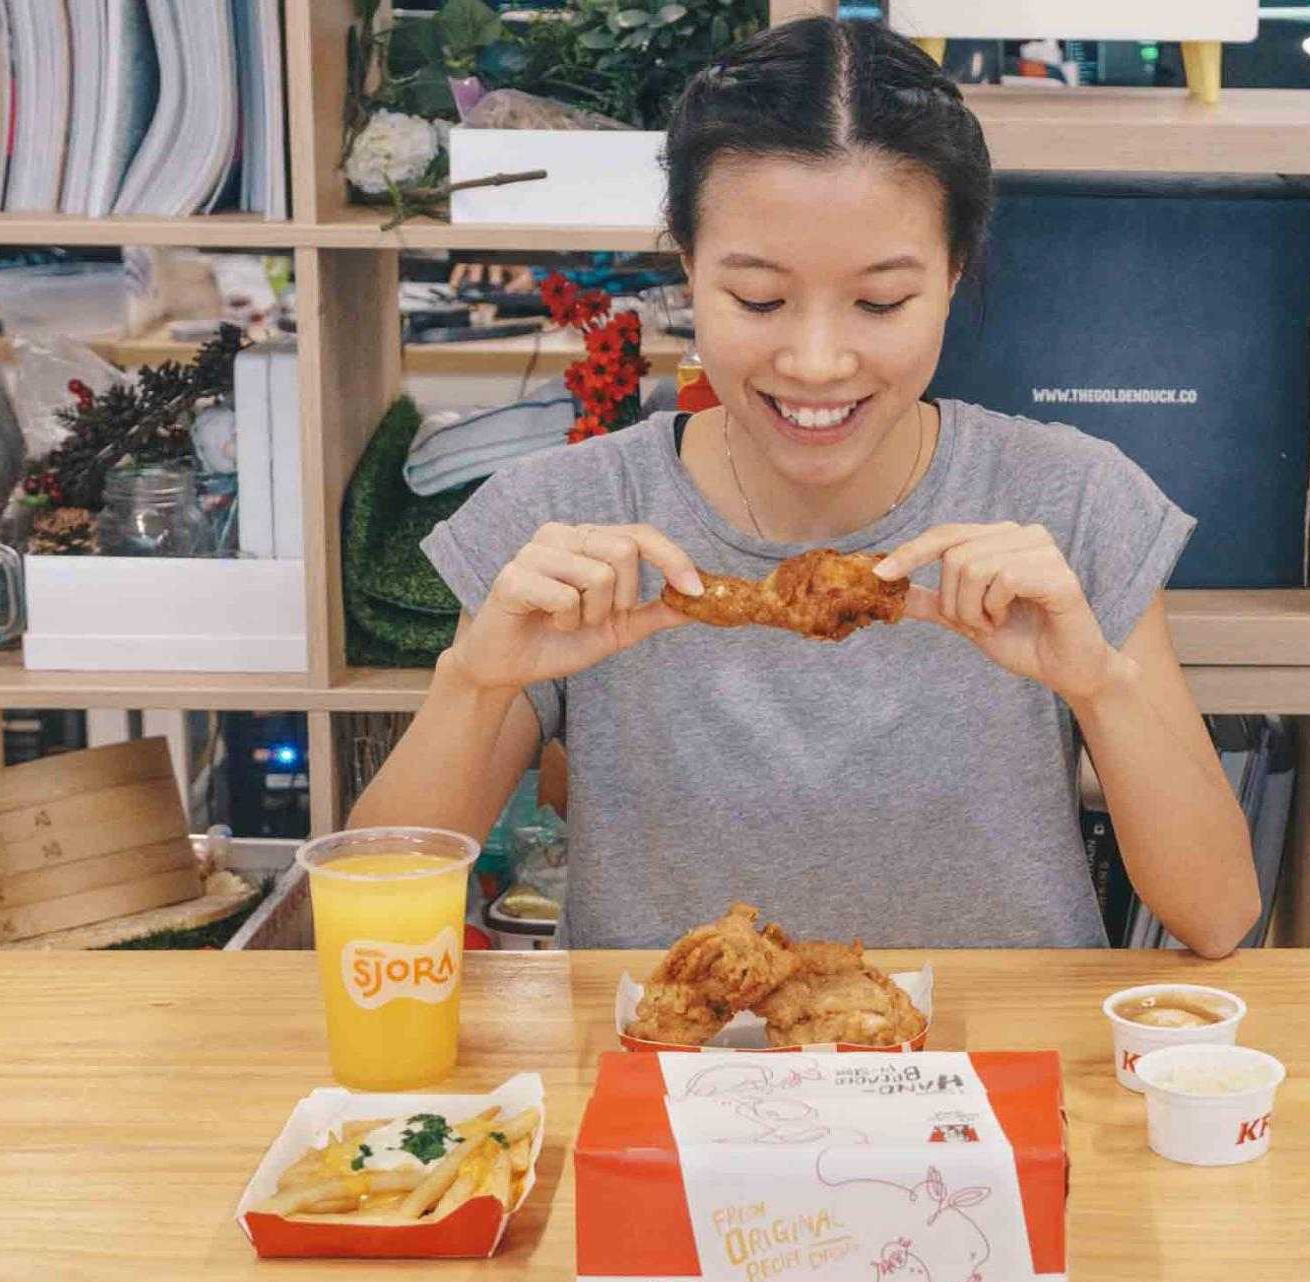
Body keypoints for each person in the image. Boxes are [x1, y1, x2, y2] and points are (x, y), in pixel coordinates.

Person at [350, 17, 1261, 955]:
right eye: (757, 299)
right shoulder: (560, 517)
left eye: (879, 302)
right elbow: (372, 927)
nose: (817, 361)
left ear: (953, 273)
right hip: (670, 1077)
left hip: (1000, 1079)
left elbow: (1218, 914)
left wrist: (1101, 691)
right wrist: (473, 684)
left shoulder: (1069, 500)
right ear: (687, 270)